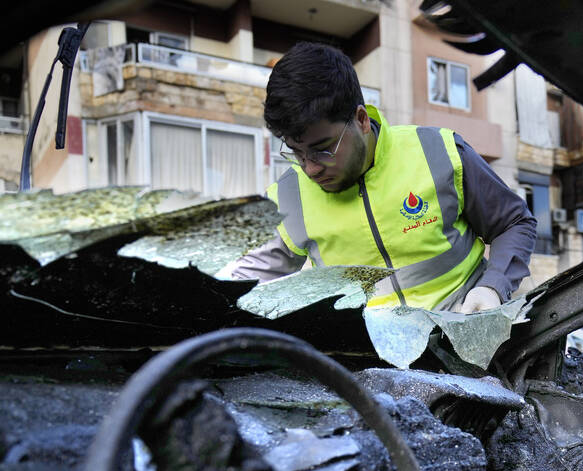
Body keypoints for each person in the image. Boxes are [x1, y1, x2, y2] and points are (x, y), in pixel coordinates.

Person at [224, 42, 537, 313]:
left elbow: (514, 223)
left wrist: (493, 287)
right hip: (369, 365)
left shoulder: (438, 152)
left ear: (361, 119)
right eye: (296, 152)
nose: (310, 168)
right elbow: (245, 285)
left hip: (464, 333)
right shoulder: (287, 199)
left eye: (322, 150)